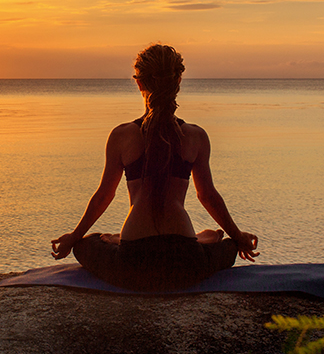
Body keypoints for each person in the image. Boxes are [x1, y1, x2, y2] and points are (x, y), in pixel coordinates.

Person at [51, 44, 259, 292]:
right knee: (228, 246)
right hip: (186, 262)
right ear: (178, 81)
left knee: (86, 244)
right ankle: (205, 238)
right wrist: (237, 237)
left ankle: (121, 239)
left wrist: (74, 237)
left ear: (139, 83)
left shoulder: (122, 135)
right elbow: (207, 196)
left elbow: (104, 195)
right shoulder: (195, 136)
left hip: (131, 264)